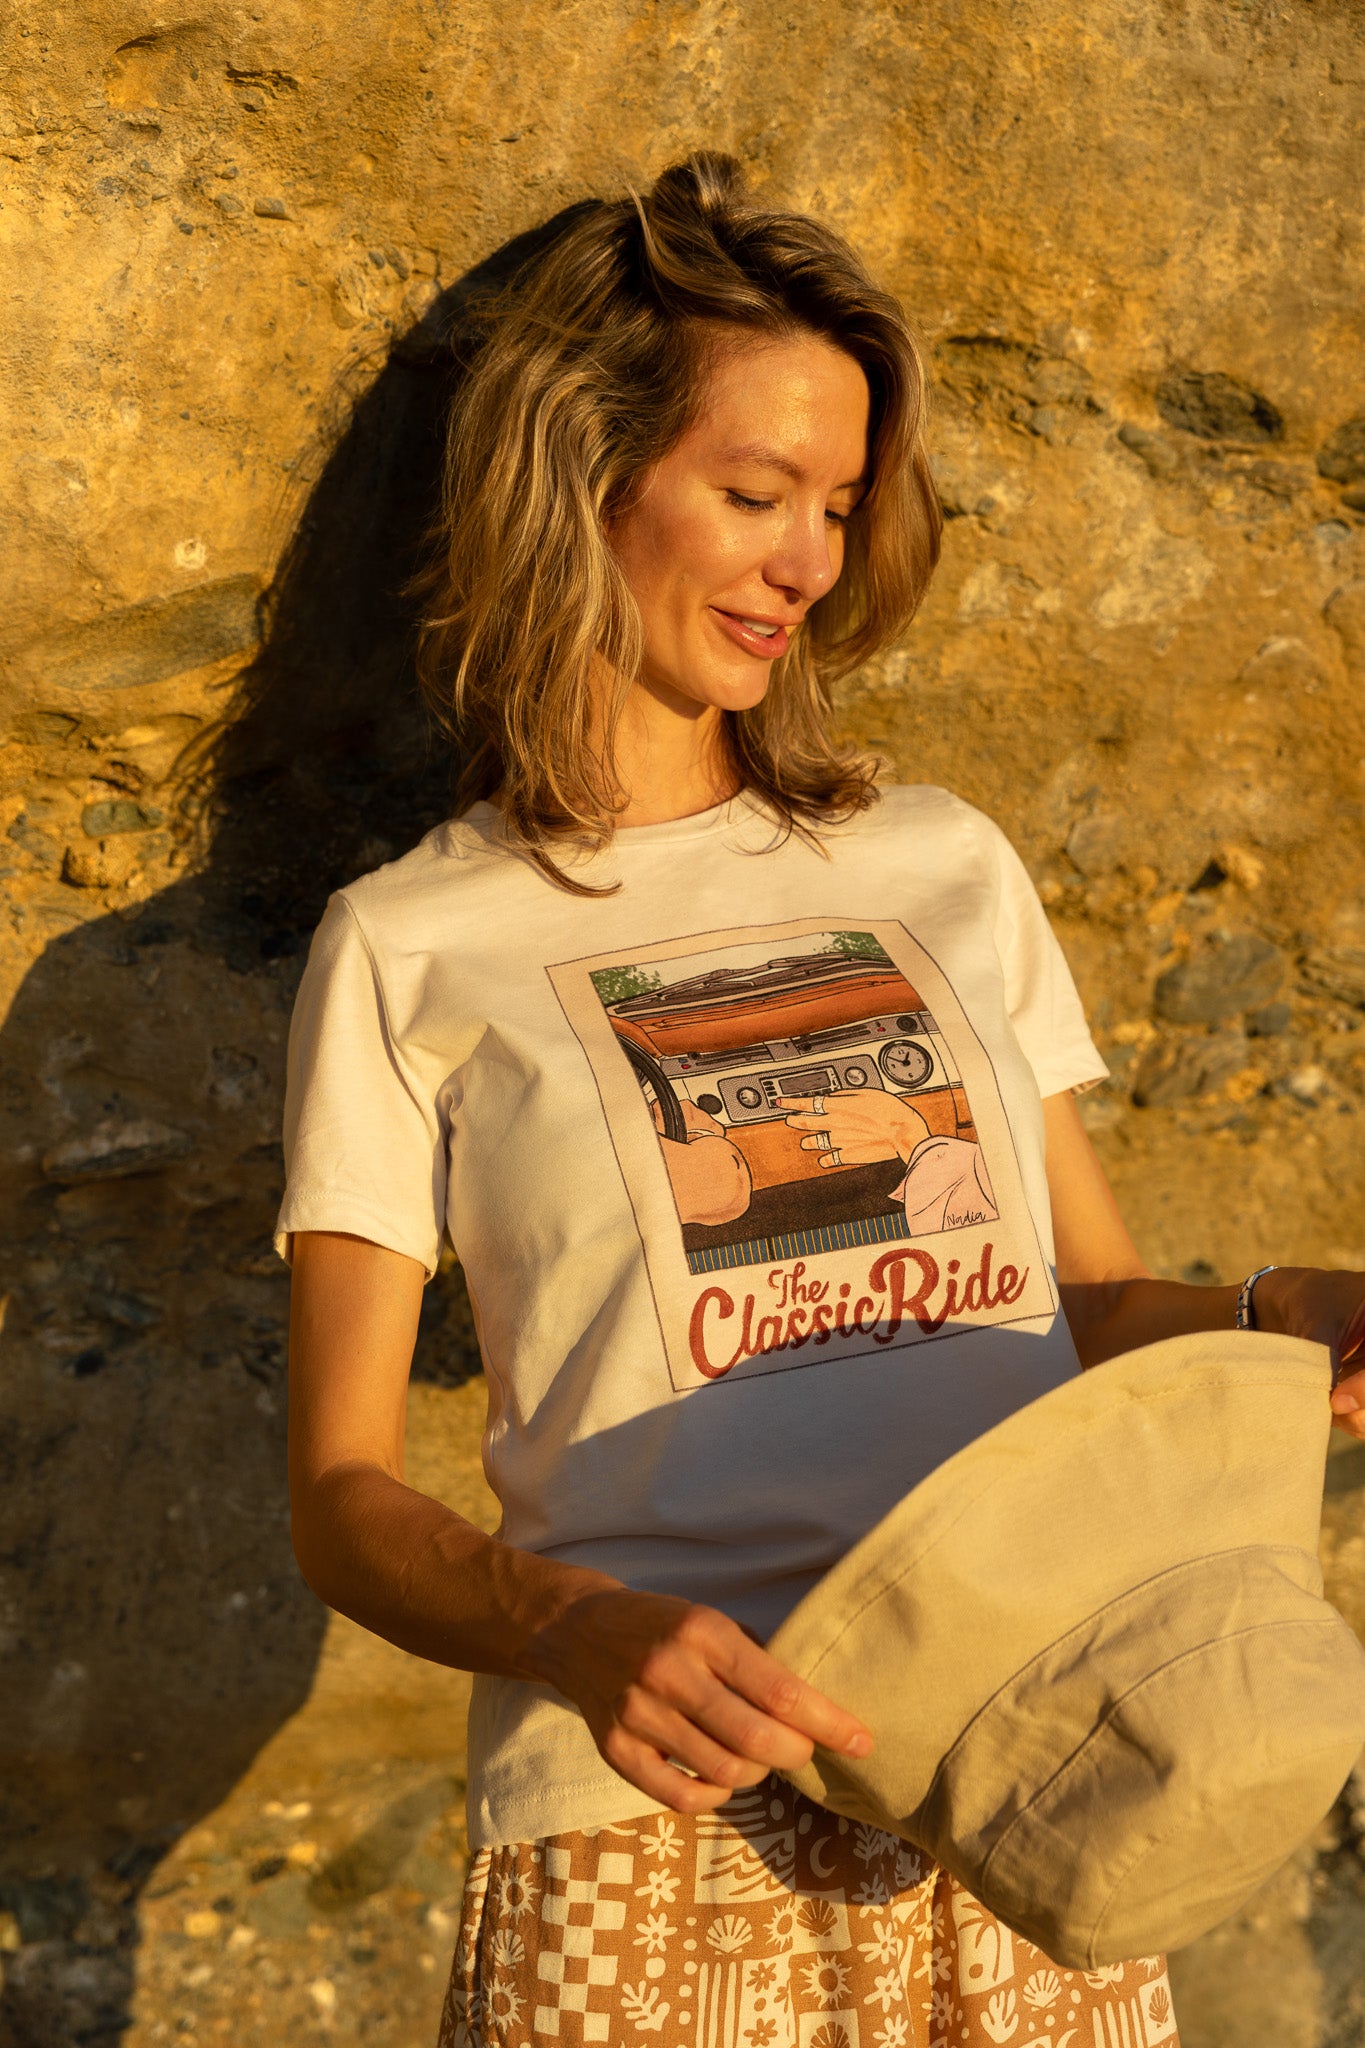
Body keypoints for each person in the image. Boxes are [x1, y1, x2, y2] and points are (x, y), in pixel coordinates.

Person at [278, 154, 1365, 2048]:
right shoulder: (409, 942)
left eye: (841, 505)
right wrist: (564, 1628)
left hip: (1025, 1763)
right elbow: (343, 1498)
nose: (810, 559)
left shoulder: (941, 865)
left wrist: (1285, 1315)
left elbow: (1085, 1306)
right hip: (645, 1813)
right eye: (754, 492)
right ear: (578, 483)